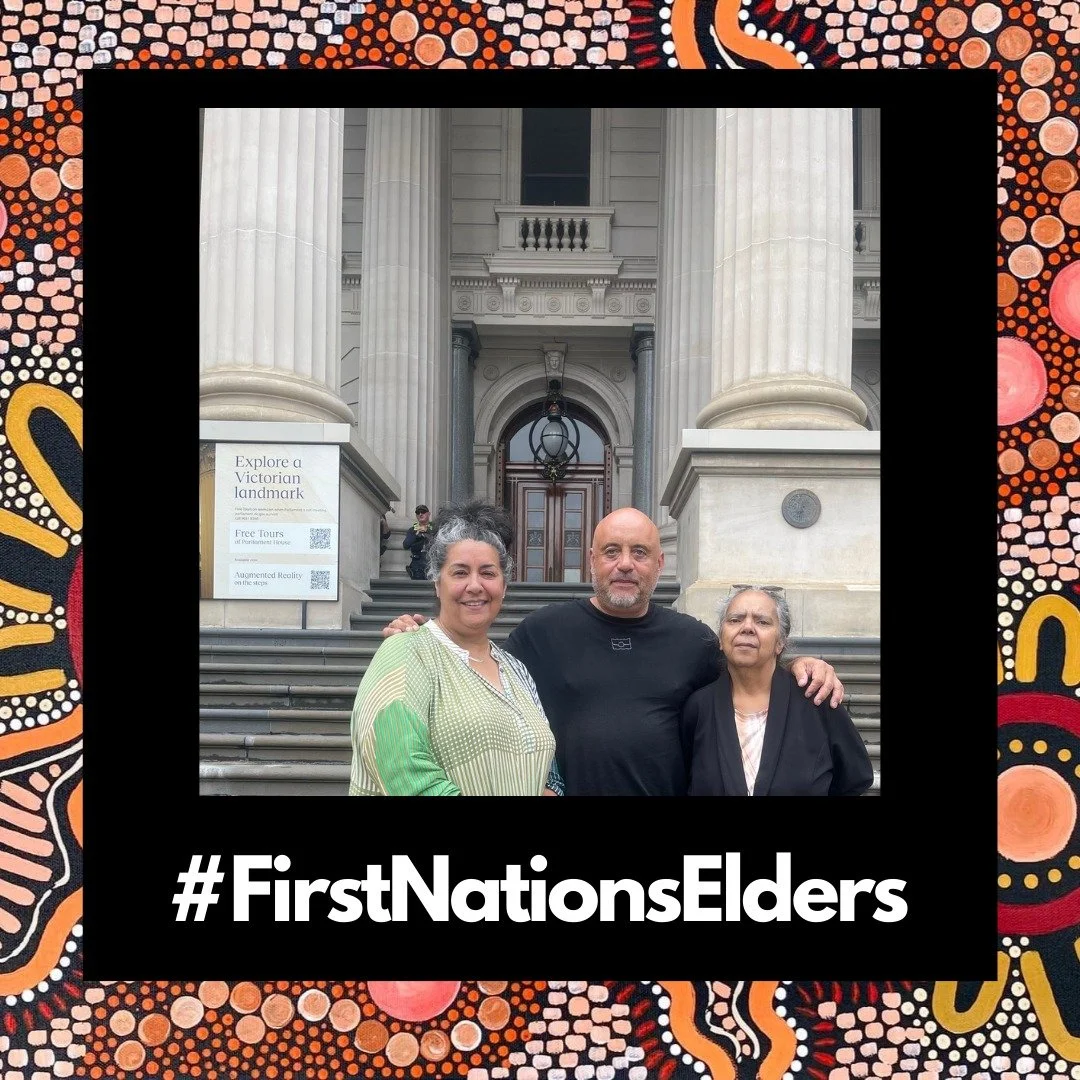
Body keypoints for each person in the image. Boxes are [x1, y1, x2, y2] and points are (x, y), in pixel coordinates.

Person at [382, 507, 845, 796]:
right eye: (612, 551)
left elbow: (748, 674)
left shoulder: (694, 639)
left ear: (659, 564)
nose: (625, 564)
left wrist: (796, 664)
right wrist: (423, 633)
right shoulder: (541, 632)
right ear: (592, 560)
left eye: (640, 552)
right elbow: (474, 669)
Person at [350, 500, 562, 796]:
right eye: (460, 573)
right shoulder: (406, 652)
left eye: (488, 573)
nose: (475, 586)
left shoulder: (516, 670)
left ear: (504, 585)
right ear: (437, 582)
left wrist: (552, 789)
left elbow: (547, 766)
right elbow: (403, 773)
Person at [685, 585, 873, 796]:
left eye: (762, 621)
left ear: (780, 642)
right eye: (735, 620)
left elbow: (855, 780)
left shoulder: (816, 699)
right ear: (721, 638)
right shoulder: (699, 707)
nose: (747, 627)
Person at [403, 504, 433, 580]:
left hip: (432, 563)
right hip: (417, 565)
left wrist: (428, 532)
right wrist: (416, 533)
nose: (420, 514)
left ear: (428, 514)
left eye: (423, 512)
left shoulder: (434, 528)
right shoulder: (412, 529)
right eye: (418, 512)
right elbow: (406, 545)